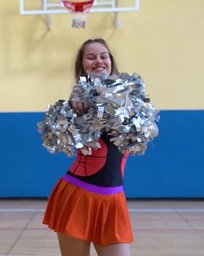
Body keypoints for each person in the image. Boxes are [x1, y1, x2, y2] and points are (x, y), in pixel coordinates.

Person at [43, 38, 133, 256]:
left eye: (104, 56)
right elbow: (55, 135)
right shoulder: (77, 103)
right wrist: (74, 107)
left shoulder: (130, 98)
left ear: (111, 61)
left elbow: (147, 132)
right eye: (91, 57)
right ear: (82, 65)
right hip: (78, 196)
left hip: (113, 201)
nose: (99, 61)